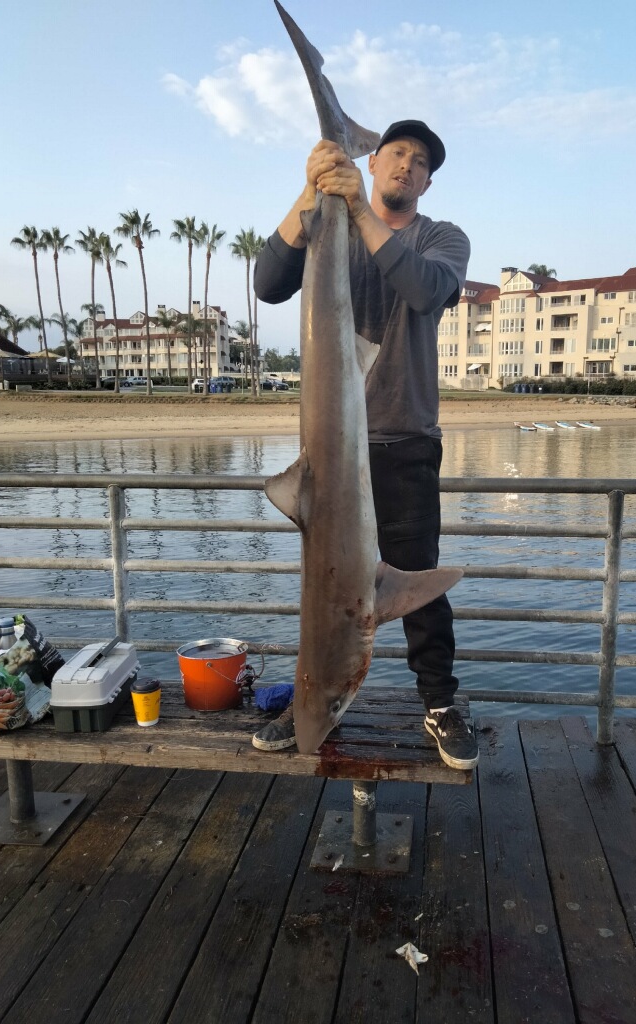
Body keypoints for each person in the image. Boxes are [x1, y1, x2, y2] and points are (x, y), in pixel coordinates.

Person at [251, 119, 477, 770]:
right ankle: (309, 695)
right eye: (397, 154)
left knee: (421, 596)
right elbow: (268, 284)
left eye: (421, 162)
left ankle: (438, 704)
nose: (408, 165)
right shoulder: (330, 222)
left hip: (405, 438)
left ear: (429, 180)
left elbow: (426, 289)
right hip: (327, 451)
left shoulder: (442, 238)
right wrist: (311, 191)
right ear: (373, 162)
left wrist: (353, 205)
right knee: (324, 594)